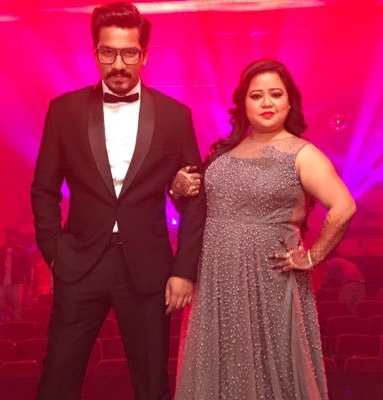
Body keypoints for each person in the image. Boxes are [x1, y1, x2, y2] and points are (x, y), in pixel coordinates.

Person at [30, 2, 206, 399]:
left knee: (152, 385)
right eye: (108, 53)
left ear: (144, 56)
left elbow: (194, 199)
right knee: (57, 380)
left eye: (129, 53)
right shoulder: (64, 111)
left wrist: (184, 271)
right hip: (79, 265)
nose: (119, 64)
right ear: (95, 53)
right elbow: (43, 189)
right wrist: (55, 253)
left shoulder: (176, 116)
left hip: (147, 270)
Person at [174, 59, 356, 399]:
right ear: (243, 103)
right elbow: (199, 212)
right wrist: (179, 190)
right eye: (256, 96)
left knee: (274, 372)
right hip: (216, 282)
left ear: (290, 102)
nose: (267, 102)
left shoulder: (303, 154)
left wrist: (312, 256)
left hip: (269, 282)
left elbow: (344, 207)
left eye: (276, 94)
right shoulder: (223, 151)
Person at [0, 228, 31, 322]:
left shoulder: (21, 251)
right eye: (7, 235)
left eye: (11, 236)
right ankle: (4, 321)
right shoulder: (0, 251)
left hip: (16, 284)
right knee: (0, 304)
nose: (8, 238)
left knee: (16, 306)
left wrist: (28, 283)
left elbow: (27, 268)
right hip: (1, 283)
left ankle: (16, 325)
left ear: (15, 237)